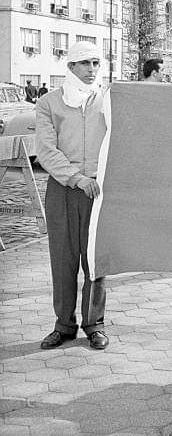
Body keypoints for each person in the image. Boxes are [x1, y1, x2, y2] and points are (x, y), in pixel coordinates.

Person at [36, 41, 109, 350]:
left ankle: (94, 325)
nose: (92, 69)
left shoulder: (107, 100)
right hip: (64, 190)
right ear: (71, 67)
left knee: (95, 260)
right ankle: (64, 325)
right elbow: (46, 151)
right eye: (85, 63)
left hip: (99, 191)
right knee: (64, 260)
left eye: (96, 63)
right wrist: (76, 179)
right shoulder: (49, 103)